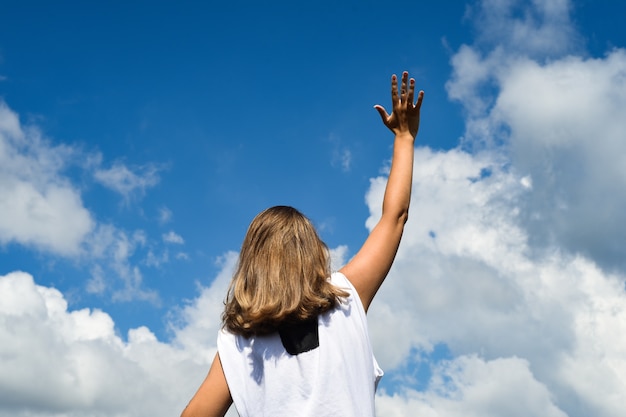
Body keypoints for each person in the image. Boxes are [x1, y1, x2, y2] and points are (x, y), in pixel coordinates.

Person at [181, 71, 424, 417]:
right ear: (313, 253)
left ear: (252, 263)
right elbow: (394, 217)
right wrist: (405, 138)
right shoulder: (344, 297)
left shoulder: (238, 340)